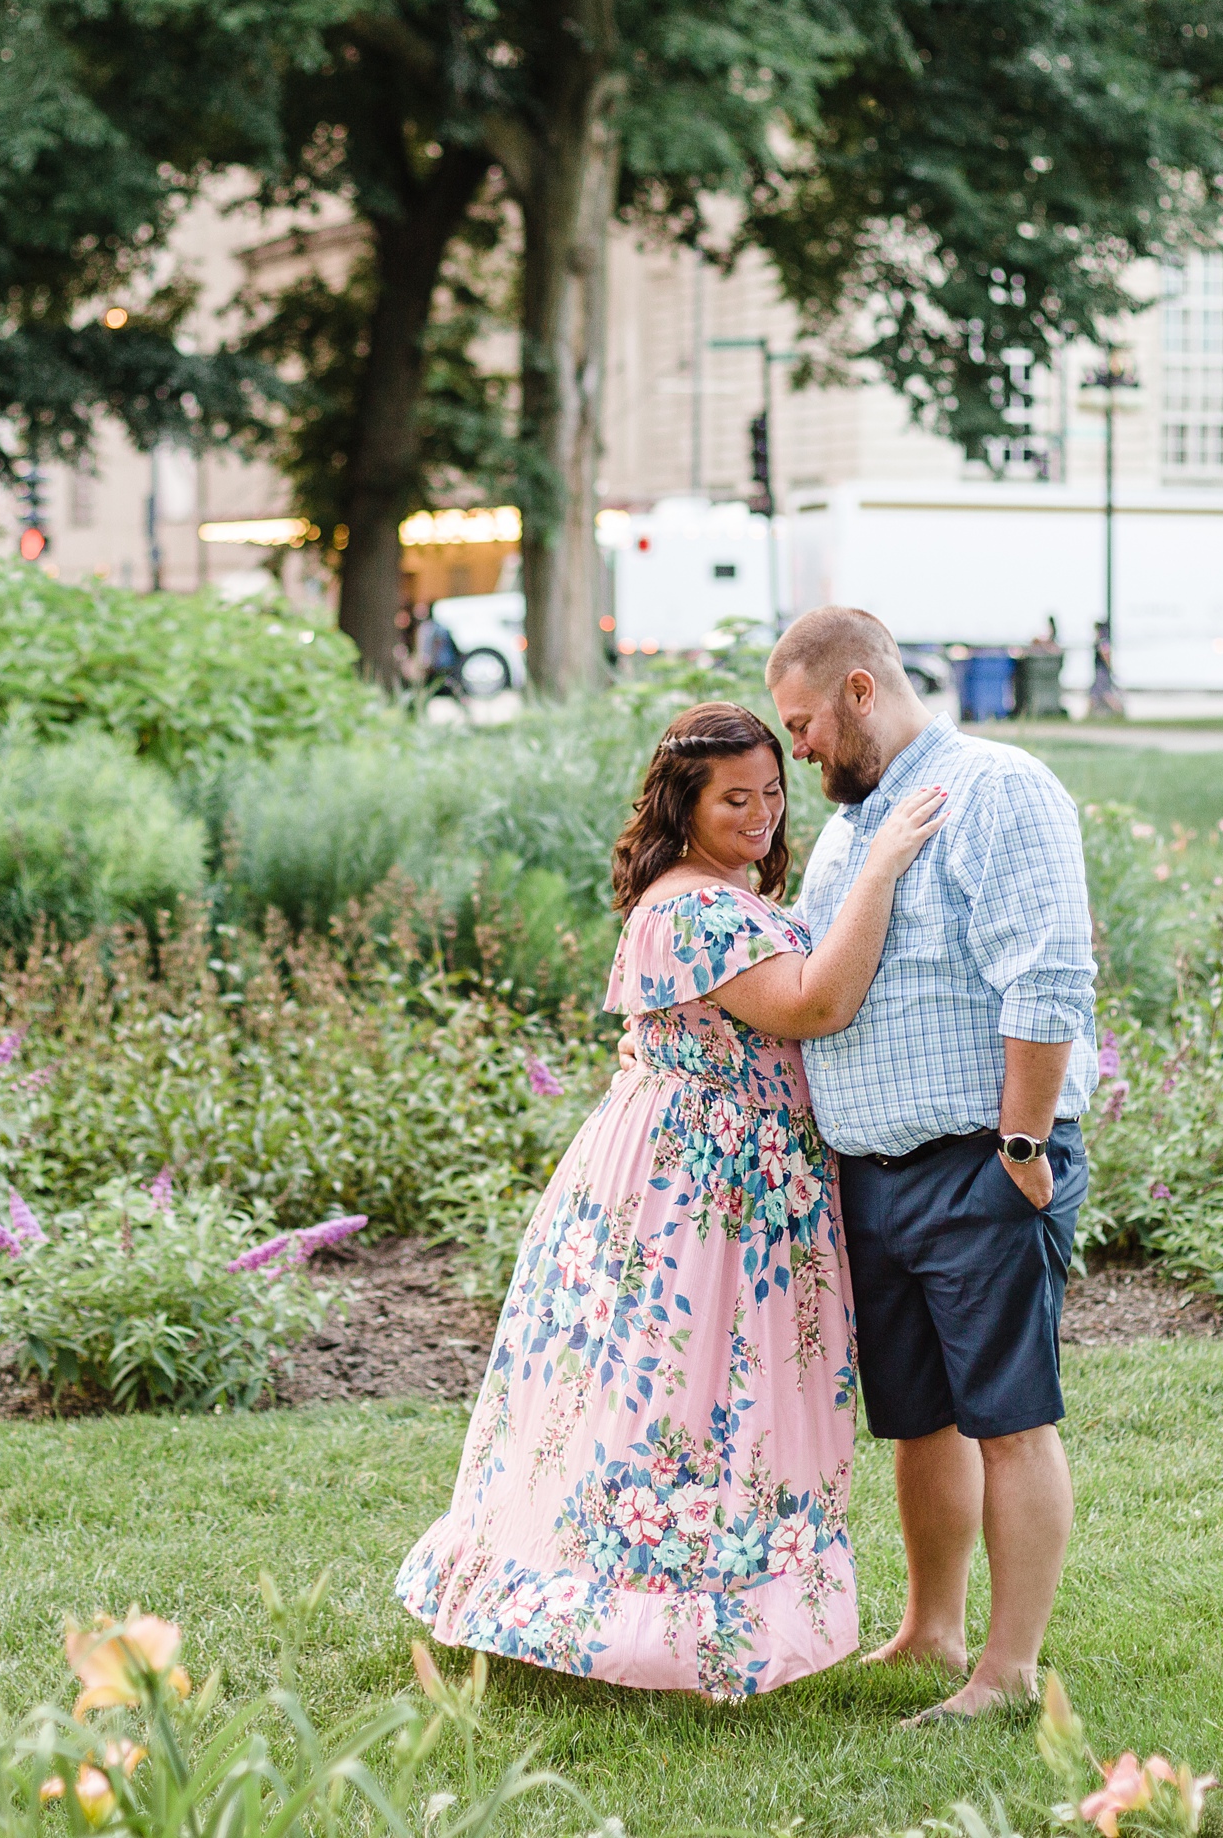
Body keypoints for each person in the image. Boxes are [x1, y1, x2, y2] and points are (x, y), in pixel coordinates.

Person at [396, 701, 948, 1702]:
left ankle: (716, 1615)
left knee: (723, 1403)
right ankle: (648, 1624)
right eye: (733, 798)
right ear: (680, 805)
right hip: (695, 1192)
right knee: (679, 1400)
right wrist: (877, 869)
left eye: (773, 793)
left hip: (746, 1179)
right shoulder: (685, 906)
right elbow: (813, 1005)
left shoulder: (720, 892)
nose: (761, 816)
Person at [764, 606, 1097, 1729]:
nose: (795, 747)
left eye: (803, 723)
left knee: (1006, 1416)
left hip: (980, 1162)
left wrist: (1018, 1144)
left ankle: (1007, 1672)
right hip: (874, 1173)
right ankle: (931, 1628)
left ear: (860, 690)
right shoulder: (849, 828)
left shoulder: (997, 789)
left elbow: (1047, 976)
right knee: (919, 1421)